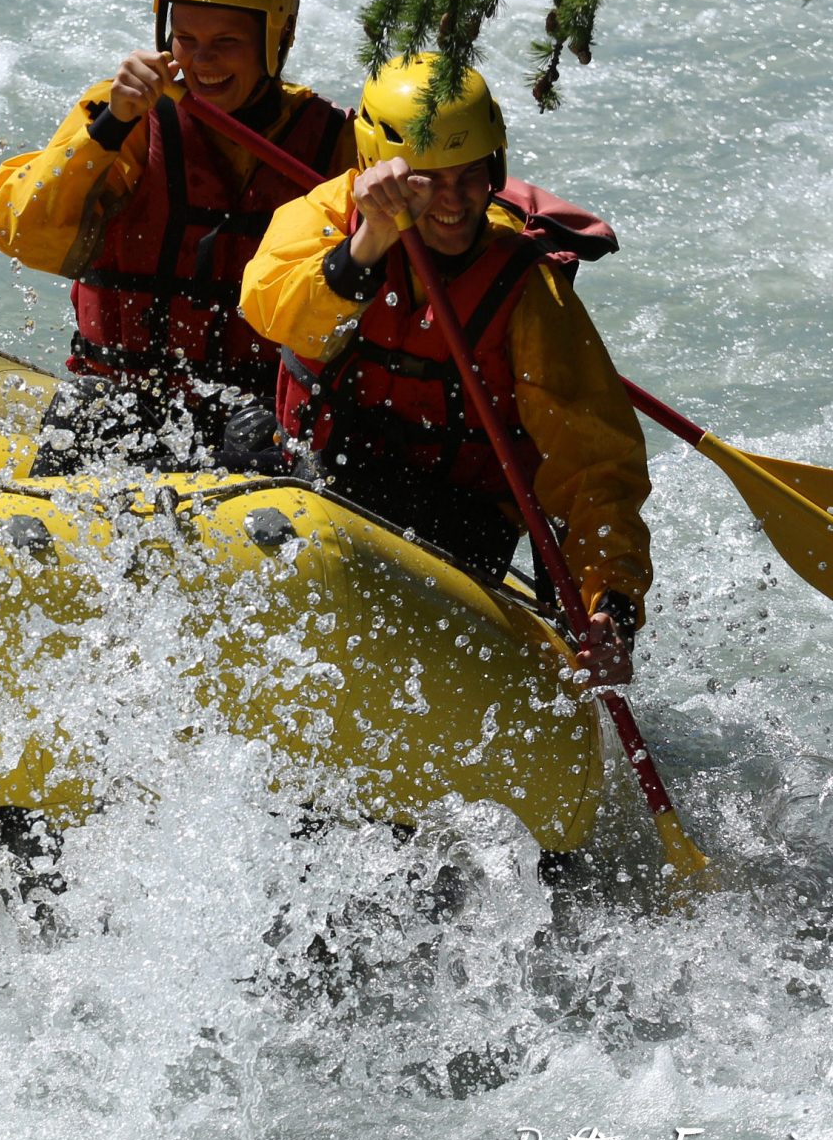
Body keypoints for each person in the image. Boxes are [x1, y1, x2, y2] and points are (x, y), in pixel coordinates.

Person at [240, 54, 651, 685]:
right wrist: (369, 242)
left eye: (471, 177)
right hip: (321, 480)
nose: (455, 203)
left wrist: (610, 606)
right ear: (380, 170)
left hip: (457, 519)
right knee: (245, 442)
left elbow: (594, 465)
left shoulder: (527, 288)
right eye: (429, 181)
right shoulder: (323, 217)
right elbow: (274, 310)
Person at [0, 0, 350, 474]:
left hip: (247, 409)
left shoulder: (335, 144)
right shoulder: (122, 117)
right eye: (186, 38)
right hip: (120, 393)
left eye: (226, 42)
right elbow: (21, 233)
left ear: (280, 34)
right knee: (85, 413)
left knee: (271, 442)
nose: (203, 62)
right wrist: (110, 126)